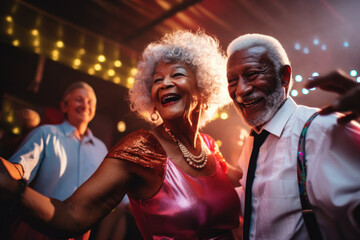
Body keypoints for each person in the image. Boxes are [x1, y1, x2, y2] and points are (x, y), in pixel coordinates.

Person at [0, 30, 242, 240]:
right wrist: (11, 187)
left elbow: (246, 180)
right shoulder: (141, 148)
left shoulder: (209, 146)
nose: (164, 83)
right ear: (152, 102)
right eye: (157, 80)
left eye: (177, 75)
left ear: (202, 87)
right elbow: (72, 214)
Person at [226, 33, 360, 240]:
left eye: (252, 74)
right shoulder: (253, 142)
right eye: (232, 81)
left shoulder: (321, 129)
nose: (240, 91)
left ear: (284, 76)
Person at [5, 81, 108, 240]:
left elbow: (116, 194)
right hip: (37, 227)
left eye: (90, 102)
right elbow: (19, 169)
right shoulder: (45, 133)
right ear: (64, 106)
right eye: (79, 99)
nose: (85, 105)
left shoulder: (102, 149)